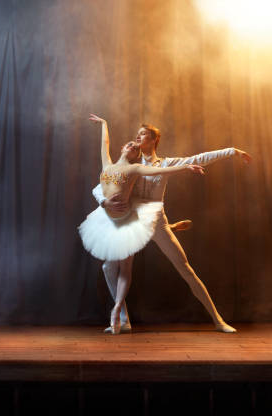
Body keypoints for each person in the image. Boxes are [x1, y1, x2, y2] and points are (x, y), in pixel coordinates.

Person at [93, 123, 252, 334]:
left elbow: (198, 158)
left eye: (143, 134)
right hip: (132, 222)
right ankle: (123, 320)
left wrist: (232, 151)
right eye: (137, 134)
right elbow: (101, 186)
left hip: (158, 222)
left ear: (153, 140)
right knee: (108, 267)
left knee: (186, 269)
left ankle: (218, 320)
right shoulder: (131, 164)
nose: (138, 137)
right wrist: (105, 203)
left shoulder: (167, 163)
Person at [78, 114, 206, 334]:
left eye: (137, 149)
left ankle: (117, 309)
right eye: (131, 145)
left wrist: (185, 168)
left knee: (125, 268)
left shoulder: (135, 169)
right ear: (122, 148)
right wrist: (104, 124)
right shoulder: (107, 163)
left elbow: (160, 170)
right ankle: (121, 317)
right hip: (108, 222)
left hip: (127, 221)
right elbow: (104, 144)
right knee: (110, 266)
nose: (134, 148)